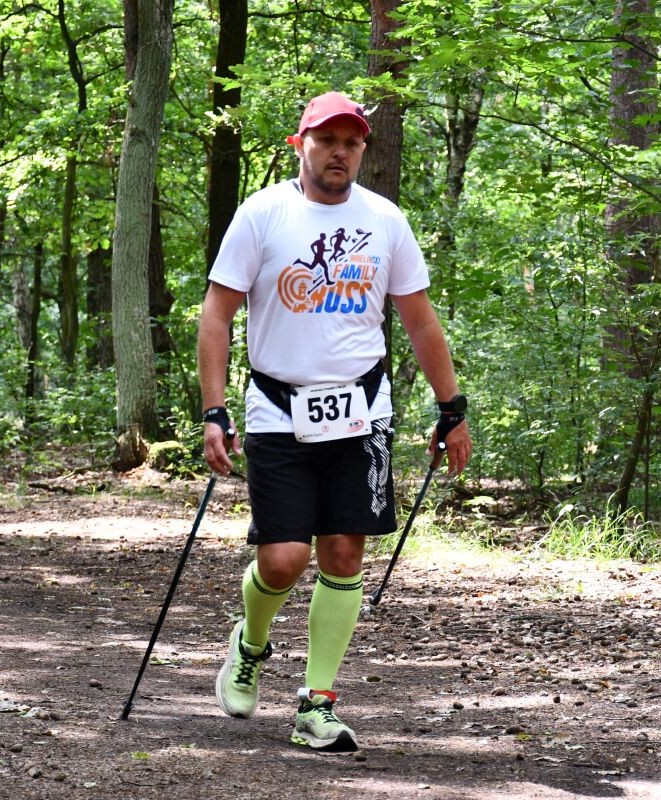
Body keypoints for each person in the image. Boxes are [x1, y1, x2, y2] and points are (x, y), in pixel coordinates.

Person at [197, 91, 471, 753]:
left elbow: (419, 320)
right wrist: (213, 410)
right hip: (278, 409)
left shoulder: (385, 221)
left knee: (344, 554)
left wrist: (451, 407)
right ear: (302, 146)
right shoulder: (263, 214)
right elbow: (216, 314)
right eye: (327, 140)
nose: (339, 152)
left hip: (362, 411)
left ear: (363, 151)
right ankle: (251, 642)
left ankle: (316, 705)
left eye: (352, 142)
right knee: (285, 558)